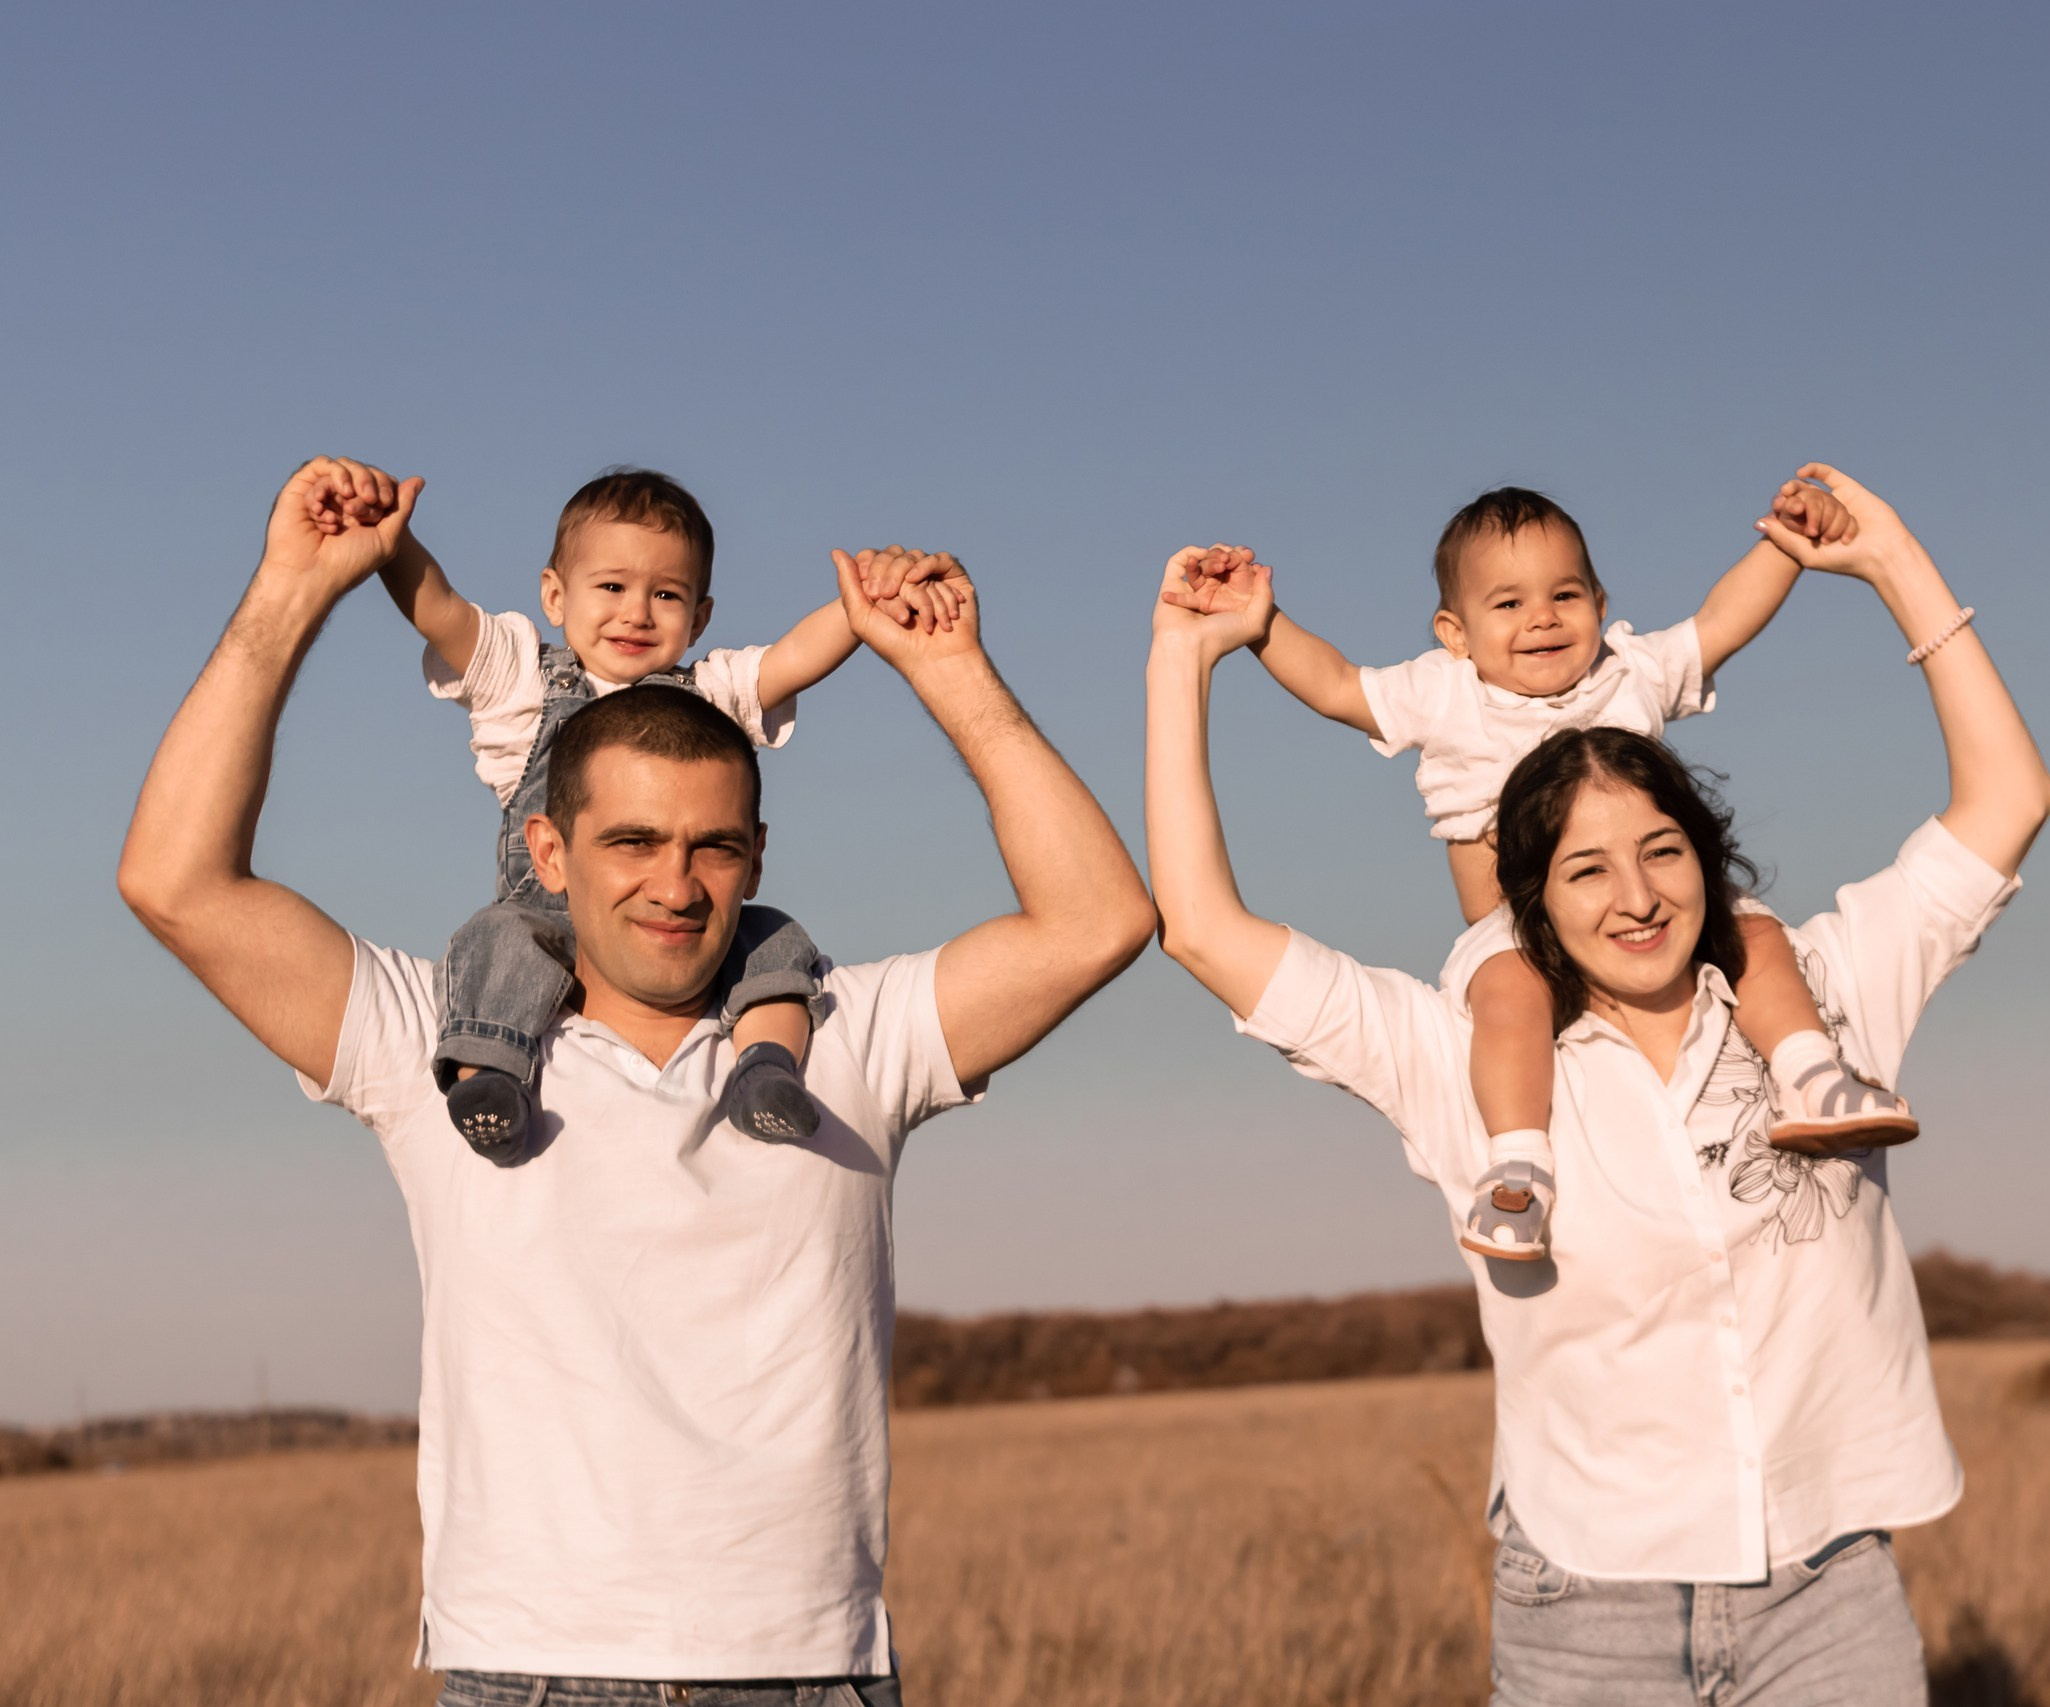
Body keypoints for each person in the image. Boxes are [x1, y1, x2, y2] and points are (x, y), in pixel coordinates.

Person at [119, 457, 1156, 1706]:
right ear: (545, 851)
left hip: (807, 1673)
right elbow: (177, 884)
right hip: (529, 1671)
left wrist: (948, 673)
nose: (675, 885)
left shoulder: (847, 1035)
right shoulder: (442, 1041)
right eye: (631, 843)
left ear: (759, 853)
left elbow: (1098, 918)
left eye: (713, 846)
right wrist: (292, 592)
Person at [1146, 465, 2050, 1705]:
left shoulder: (1824, 991)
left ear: (1708, 857)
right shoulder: (1460, 1046)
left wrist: (1891, 559)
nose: (1634, 897)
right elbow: (1200, 927)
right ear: (1532, 896)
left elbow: (2010, 800)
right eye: (1583, 872)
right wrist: (1185, 662)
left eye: (1663, 853)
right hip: (1583, 1609)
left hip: (1828, 1595)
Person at [1230, 479, 1911, 1264]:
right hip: (1515, 931)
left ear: (1599, 598)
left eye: (1564, 594)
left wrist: (1785, 544)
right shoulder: (1442, 694)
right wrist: (1262, 625)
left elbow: (1718, 625)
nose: (1542, 618)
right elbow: (1338, 684)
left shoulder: (1628, 672)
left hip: (1653, 912)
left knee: (1757, 935)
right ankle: (1519, 1165)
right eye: (1508, 604)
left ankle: (1813, 1077)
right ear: (1455, 631)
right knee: (1508, 999)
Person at [362, 465, 903, 1160]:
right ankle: (489, 1078)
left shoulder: (710, 691)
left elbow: (789, 661)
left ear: (701, 616)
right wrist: (391, 544)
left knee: (769, 938)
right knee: (493, 939)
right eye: (612, 586)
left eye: (666, 594)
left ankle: (764, 1067)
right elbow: (440, 610)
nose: (636, 612)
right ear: (555, 594)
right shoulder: (522, 682)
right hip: (547, 922)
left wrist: (859, 611)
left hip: (677, 931)